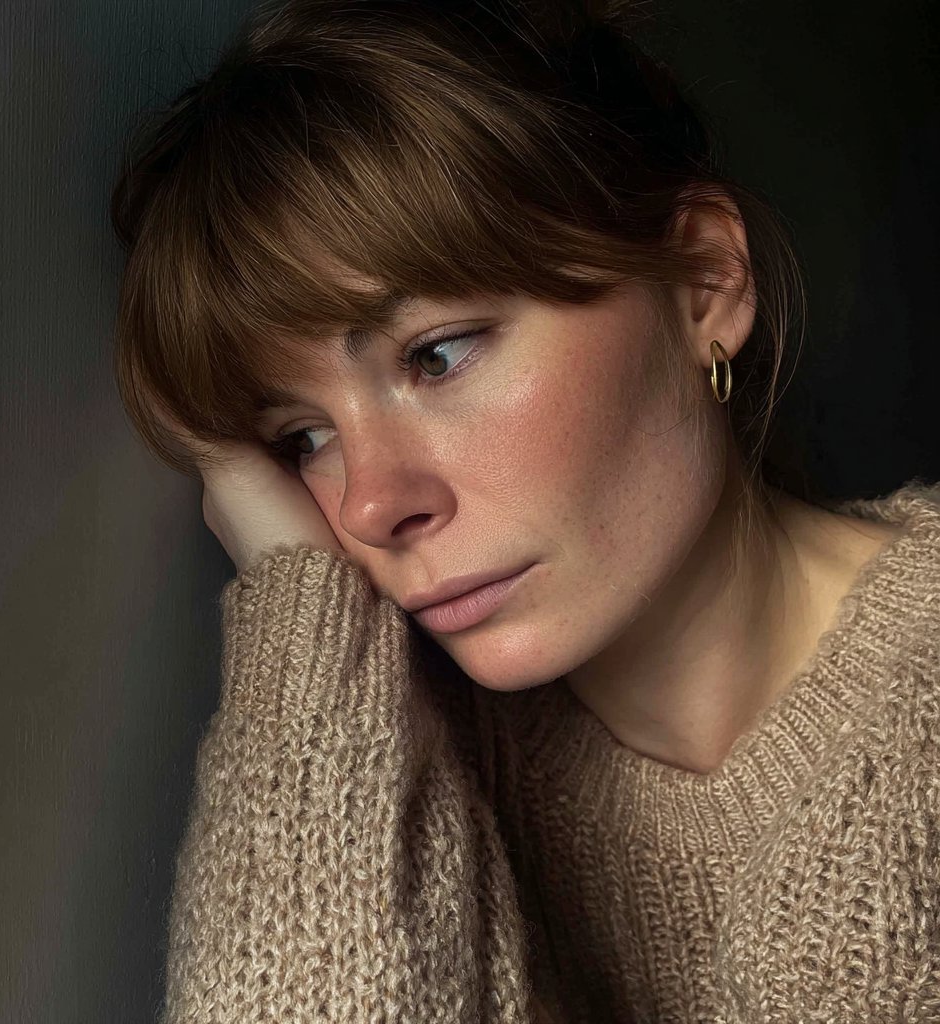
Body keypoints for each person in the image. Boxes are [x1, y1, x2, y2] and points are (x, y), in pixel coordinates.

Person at [109, 0, 940, 1020]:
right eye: (299, 440)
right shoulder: (395, 780)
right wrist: (299, 606)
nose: (371, 503)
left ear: (702, 288)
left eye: (438, 354)